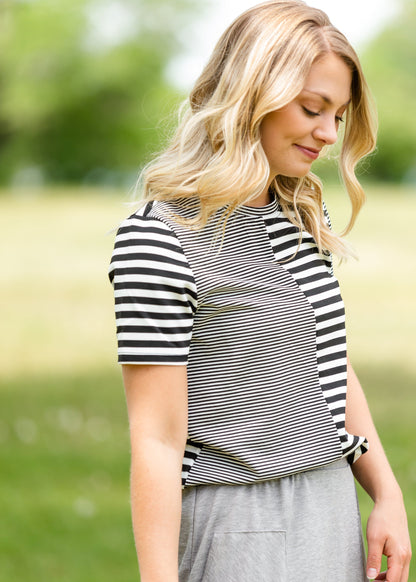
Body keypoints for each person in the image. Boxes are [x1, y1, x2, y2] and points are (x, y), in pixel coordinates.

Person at [108, 1, 411, 580]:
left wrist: (387, 493)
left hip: (330, 508)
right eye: (312, 108)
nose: (327, 133)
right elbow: (157, 441)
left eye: (338, 116)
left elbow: (330, 369)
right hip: (240, 529)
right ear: (253, 94)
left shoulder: (294, 216)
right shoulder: (159, 239)